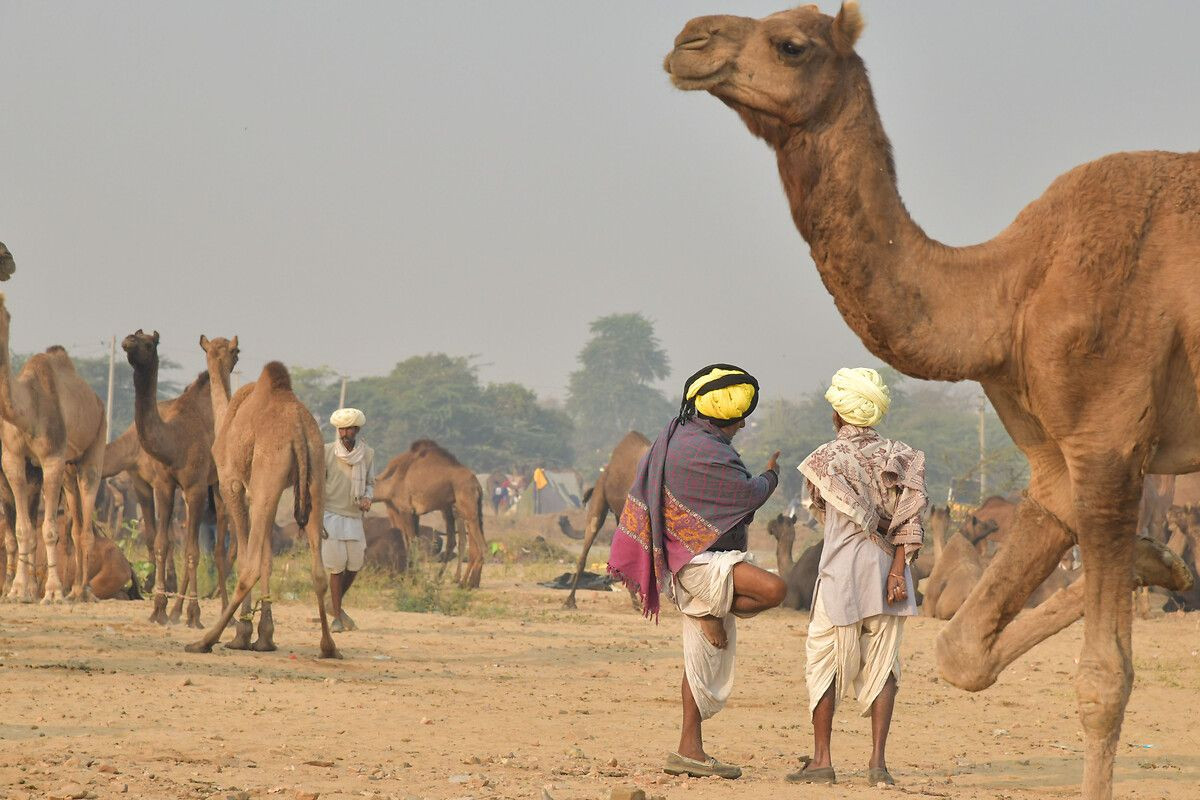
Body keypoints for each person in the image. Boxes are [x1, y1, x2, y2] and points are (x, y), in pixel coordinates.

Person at [608, 363, 786, 780]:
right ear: (721, 415)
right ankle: (702, 607)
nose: (742, 424)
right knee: (775, 590)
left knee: (699, 661)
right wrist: (771, 476)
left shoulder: (680, 440)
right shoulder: (702, 450)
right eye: (738, 417)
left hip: (693, 564)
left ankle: (689, 750)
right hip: (698, 565)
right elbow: (744, 494)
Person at [789, 368, 926, 787]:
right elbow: (910, 519)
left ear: (837, 414)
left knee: (824, 663)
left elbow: (822, 510)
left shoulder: (823, 460)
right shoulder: (902, 457)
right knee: (885, 664)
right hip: (890, 573)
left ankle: (822, 761)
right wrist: (899, 571)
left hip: (841, 572)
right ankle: (878, 765)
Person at [321, 407, 375, 633]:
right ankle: (337, 617)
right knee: (336, 568)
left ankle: (334, 607)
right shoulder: (326, 452)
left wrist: (367, 498)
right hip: (331, 514)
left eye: (349, 429)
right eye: (341, 429)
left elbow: (370, 483)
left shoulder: (368, 454)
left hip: (354, 516)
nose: (344, 433)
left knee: (355, 565)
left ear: (356, 429)